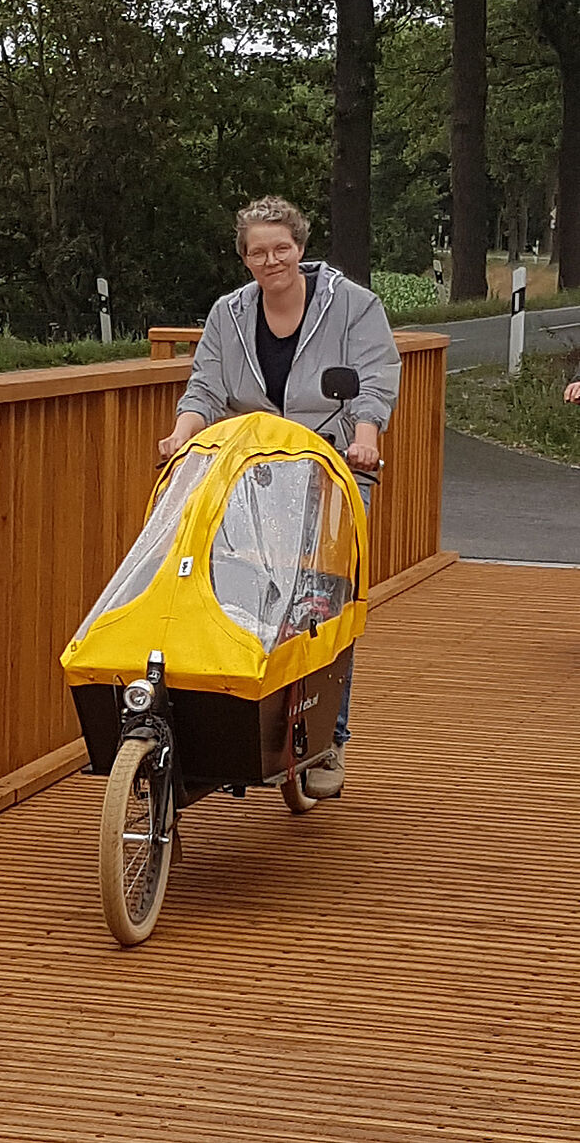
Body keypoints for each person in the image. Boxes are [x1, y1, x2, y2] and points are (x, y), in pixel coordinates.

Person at [158, 195, 401, 799]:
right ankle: (240, 726)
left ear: (300, 246)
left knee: (323, 606)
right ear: (245, 258)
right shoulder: (229, 314)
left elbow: (374, 377)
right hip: (253, 475)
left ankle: (328, 740)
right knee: (238, 594)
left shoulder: (352, 306)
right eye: (258, 252)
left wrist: (366, 435)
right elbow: (206, 385)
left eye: (281, 248)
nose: (272, 260)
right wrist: (182, 432)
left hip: (330, 469)